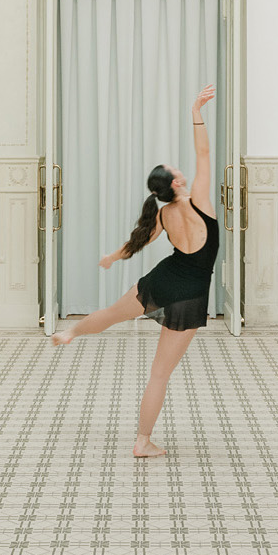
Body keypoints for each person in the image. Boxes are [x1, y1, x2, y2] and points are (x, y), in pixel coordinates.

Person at [52, 85, 220, 459]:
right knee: (159, 374)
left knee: (112, 313)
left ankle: (71, 332)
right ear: (176, 182)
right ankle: (142, 442)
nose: (182, 170)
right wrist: (196, 111)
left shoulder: (163, 214)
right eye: (177, 171)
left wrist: (111, 258)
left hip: (162, 280)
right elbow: (204, 153)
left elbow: (137, 242)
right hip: (190, 294)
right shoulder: (201, 202)